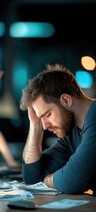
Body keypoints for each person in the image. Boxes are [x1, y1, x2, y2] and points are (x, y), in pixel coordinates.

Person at [20, 63, 96, 195]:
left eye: (47, 114)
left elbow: (72, 181)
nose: (45, 126)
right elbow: (32, 179)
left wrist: (49, 180)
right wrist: (35, 125)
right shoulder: (72, 133)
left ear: (66, 100)